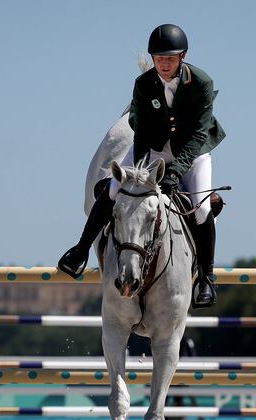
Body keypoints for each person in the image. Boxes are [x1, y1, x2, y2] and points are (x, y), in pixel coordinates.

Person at [58, 23, 226, 308]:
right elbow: (141, 129)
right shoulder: (143, 84)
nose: (164, 64)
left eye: (169, 59)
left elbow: (198, 135)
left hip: (193, 152)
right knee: (113, 190)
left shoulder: (201, 83)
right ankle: (80, 249)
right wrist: (144, 170)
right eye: (159, 59)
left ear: (182, 56)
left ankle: (206, 278)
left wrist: (175, 172)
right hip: (152, 148)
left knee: (202, 207)